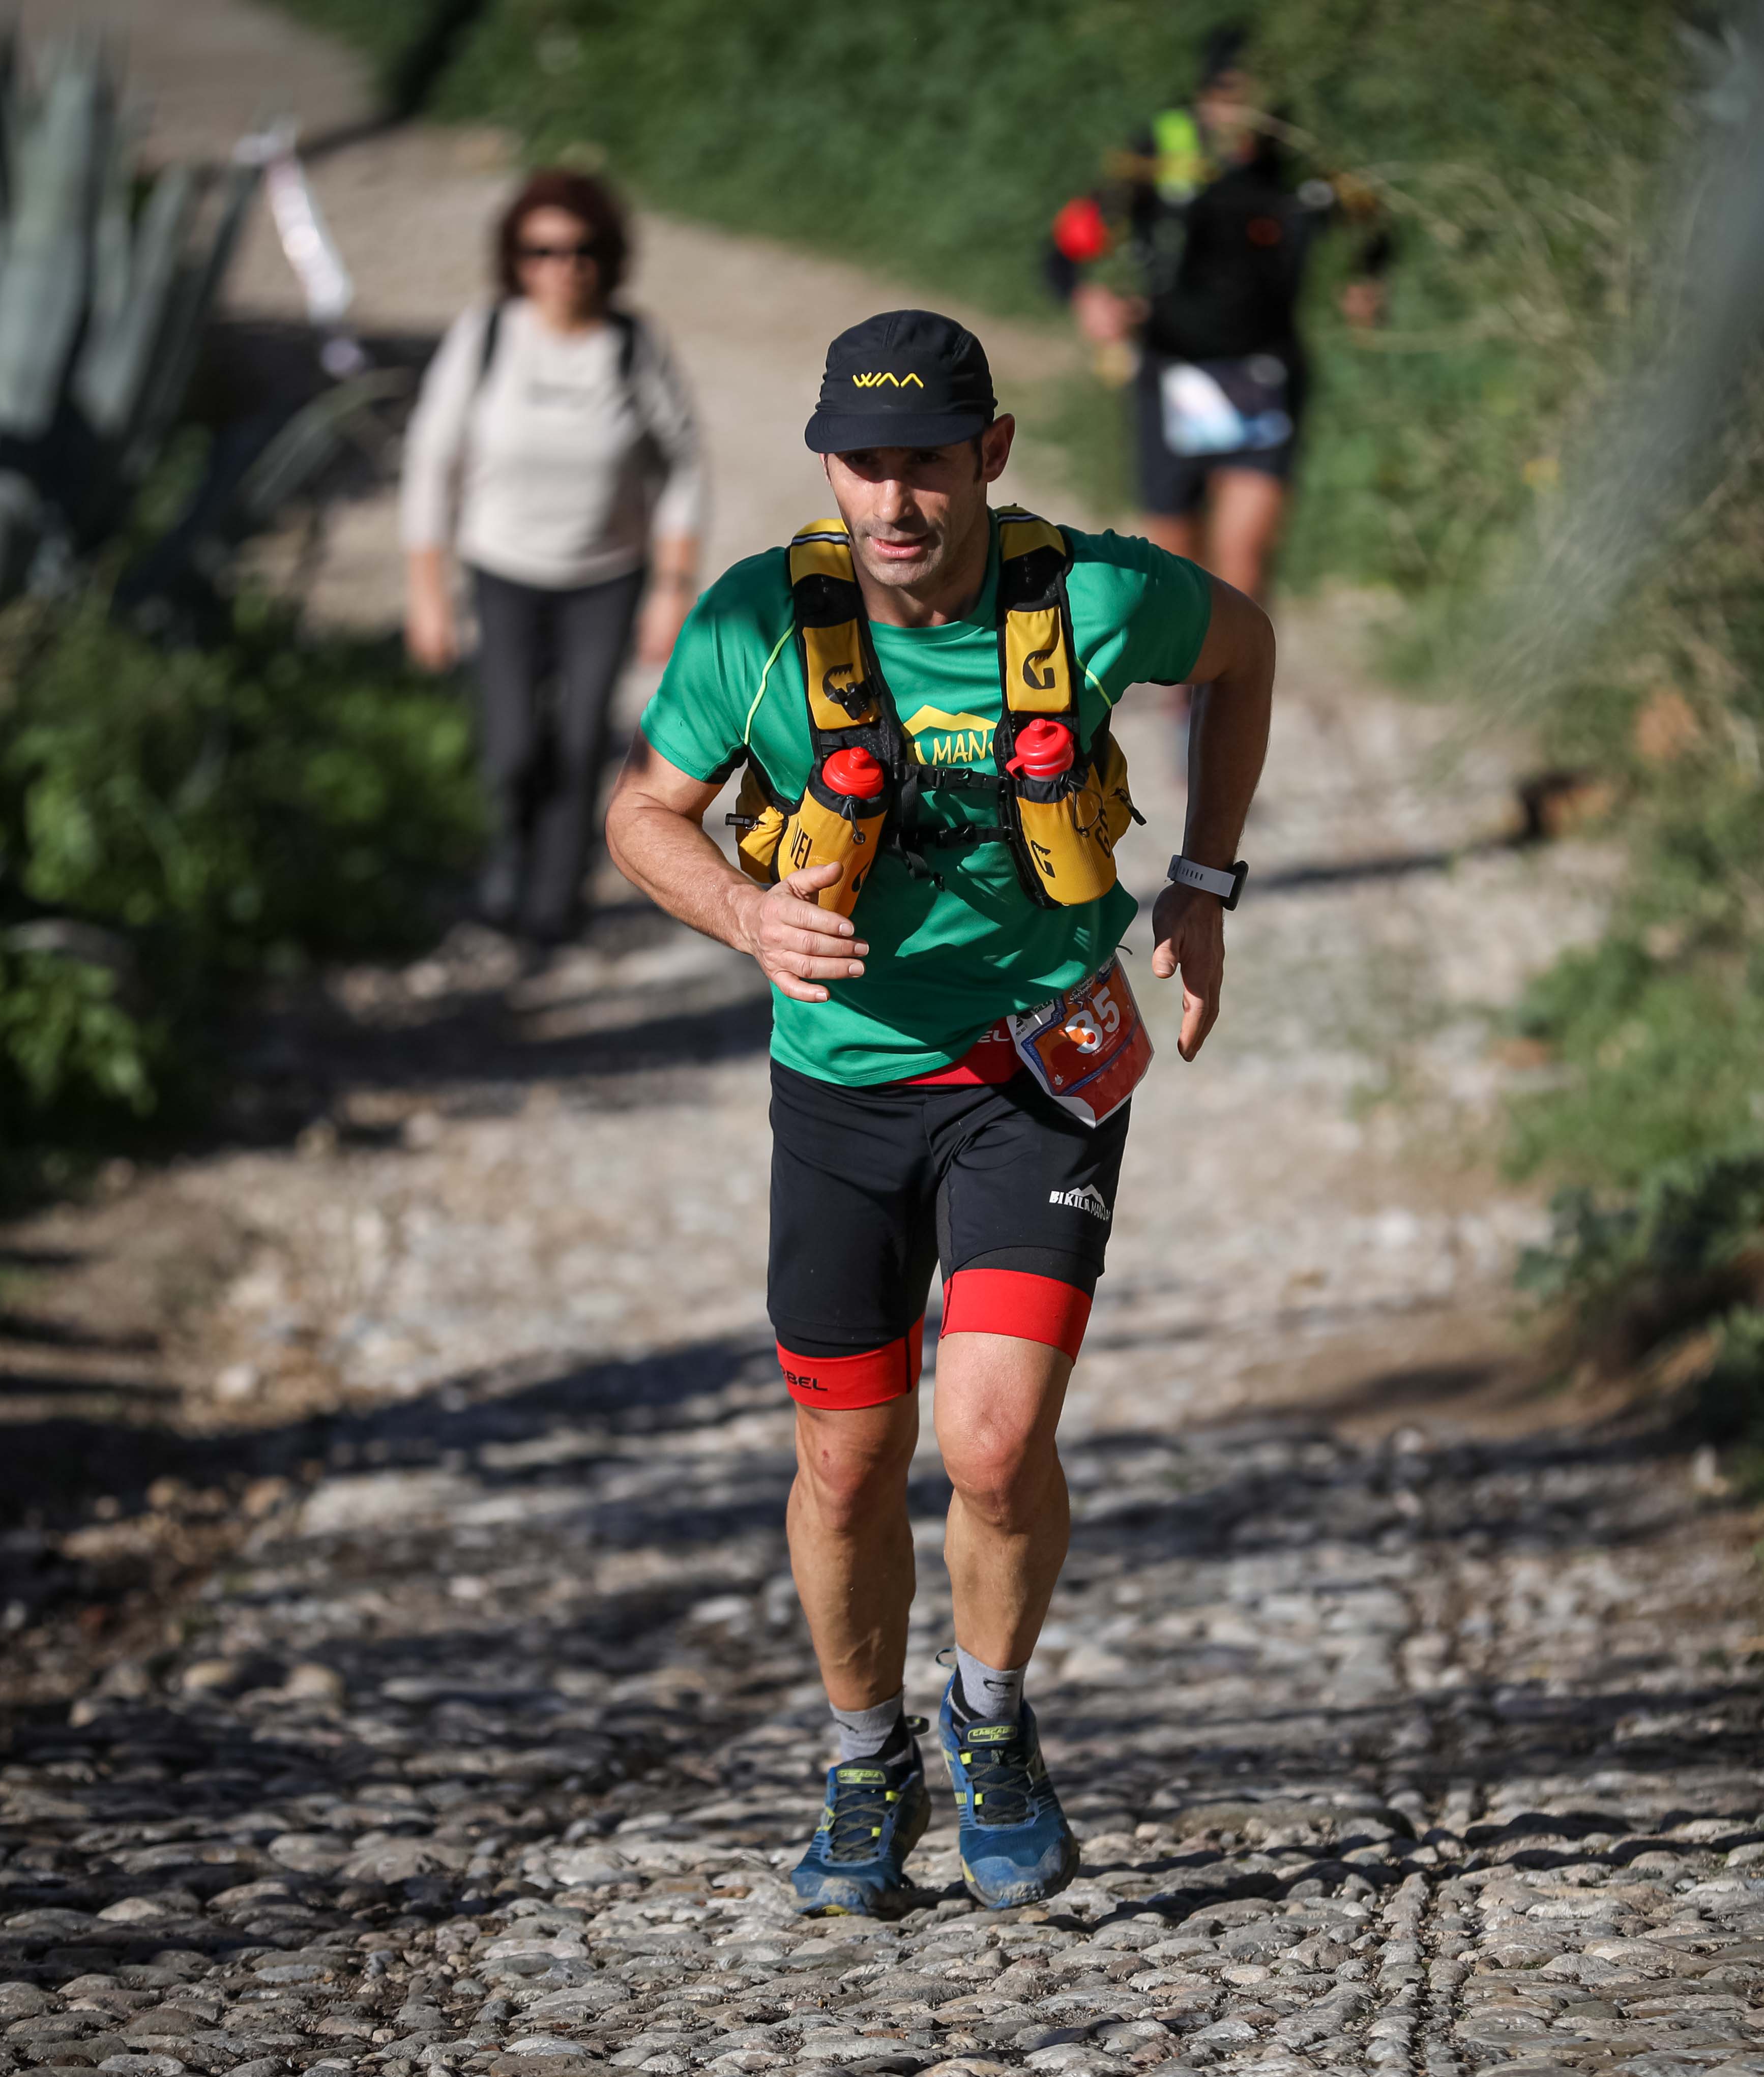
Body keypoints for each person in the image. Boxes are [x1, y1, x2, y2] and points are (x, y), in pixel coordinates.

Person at [602, 310, 1274, 1915]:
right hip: (839, 1091)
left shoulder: (1097, 594)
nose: (892, 501)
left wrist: (1202, 878)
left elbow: (1243, 648)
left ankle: (988, 1716)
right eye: (861, 464)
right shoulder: (757, 624)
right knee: (845, 1463)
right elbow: (643, 812)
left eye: (923, 463)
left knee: (989, 1437)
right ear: (828, 463)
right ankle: (860, 1756)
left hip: (1037, 1072)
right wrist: (747, 917)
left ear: (991, 454)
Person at [401, 168, 707, 944]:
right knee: (508, 742)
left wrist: (673, 588)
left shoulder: (633, 345)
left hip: (605, 577)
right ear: (515, 258)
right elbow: (430, 463)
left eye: (581, 251)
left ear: (607, 258)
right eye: (541, 251)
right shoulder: (488, 335)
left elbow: (683, 465)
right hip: (501, 570)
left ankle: (555, 900)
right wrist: (428, 592)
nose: (562, 267)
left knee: (579, 742)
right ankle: (506, 863)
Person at [1044, 22, 1387, 604]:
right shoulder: (1158, 152)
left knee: (1244, 558)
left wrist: (1367, 280)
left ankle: (1228, 691)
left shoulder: (1297, 161)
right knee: (1176, 563)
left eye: (1256, 96)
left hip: (1266, 374)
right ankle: (1188, 685)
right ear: (1206, 94)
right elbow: (1064, 247)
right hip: (1170, 371)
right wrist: (1088, 298)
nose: (1243, 112)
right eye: (1229, 94)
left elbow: (1375, 222)